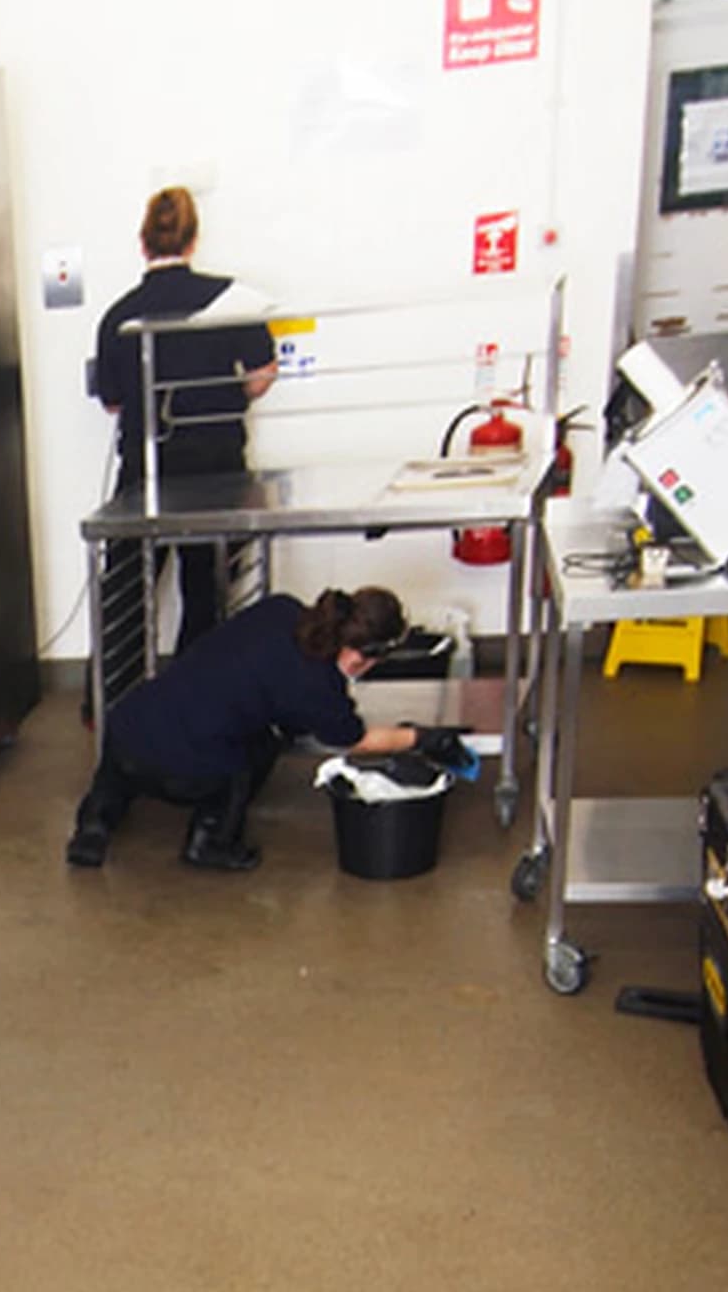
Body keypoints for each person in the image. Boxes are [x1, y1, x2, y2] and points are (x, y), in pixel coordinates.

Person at [65, 586, 467, 872]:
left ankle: (94, 825)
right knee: (258, 746)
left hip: (128, 727)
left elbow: (257, 669)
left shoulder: (281, 608)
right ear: (367, 655)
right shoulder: (318, 687)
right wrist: (423, 737)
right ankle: (211, 841)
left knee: (133, 755)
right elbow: (354, 740)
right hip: (182, 771)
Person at [93, 186, 279, 652]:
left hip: (146, 467)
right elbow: (262, 376)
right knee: (207, 587)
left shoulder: (118, 316)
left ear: (143, 244)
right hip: (216, 466)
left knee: (126, 589)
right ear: (193, 242)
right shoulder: (233, 300)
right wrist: (221, 397)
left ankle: (110, 702)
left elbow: (113, 401)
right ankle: (199, 699)